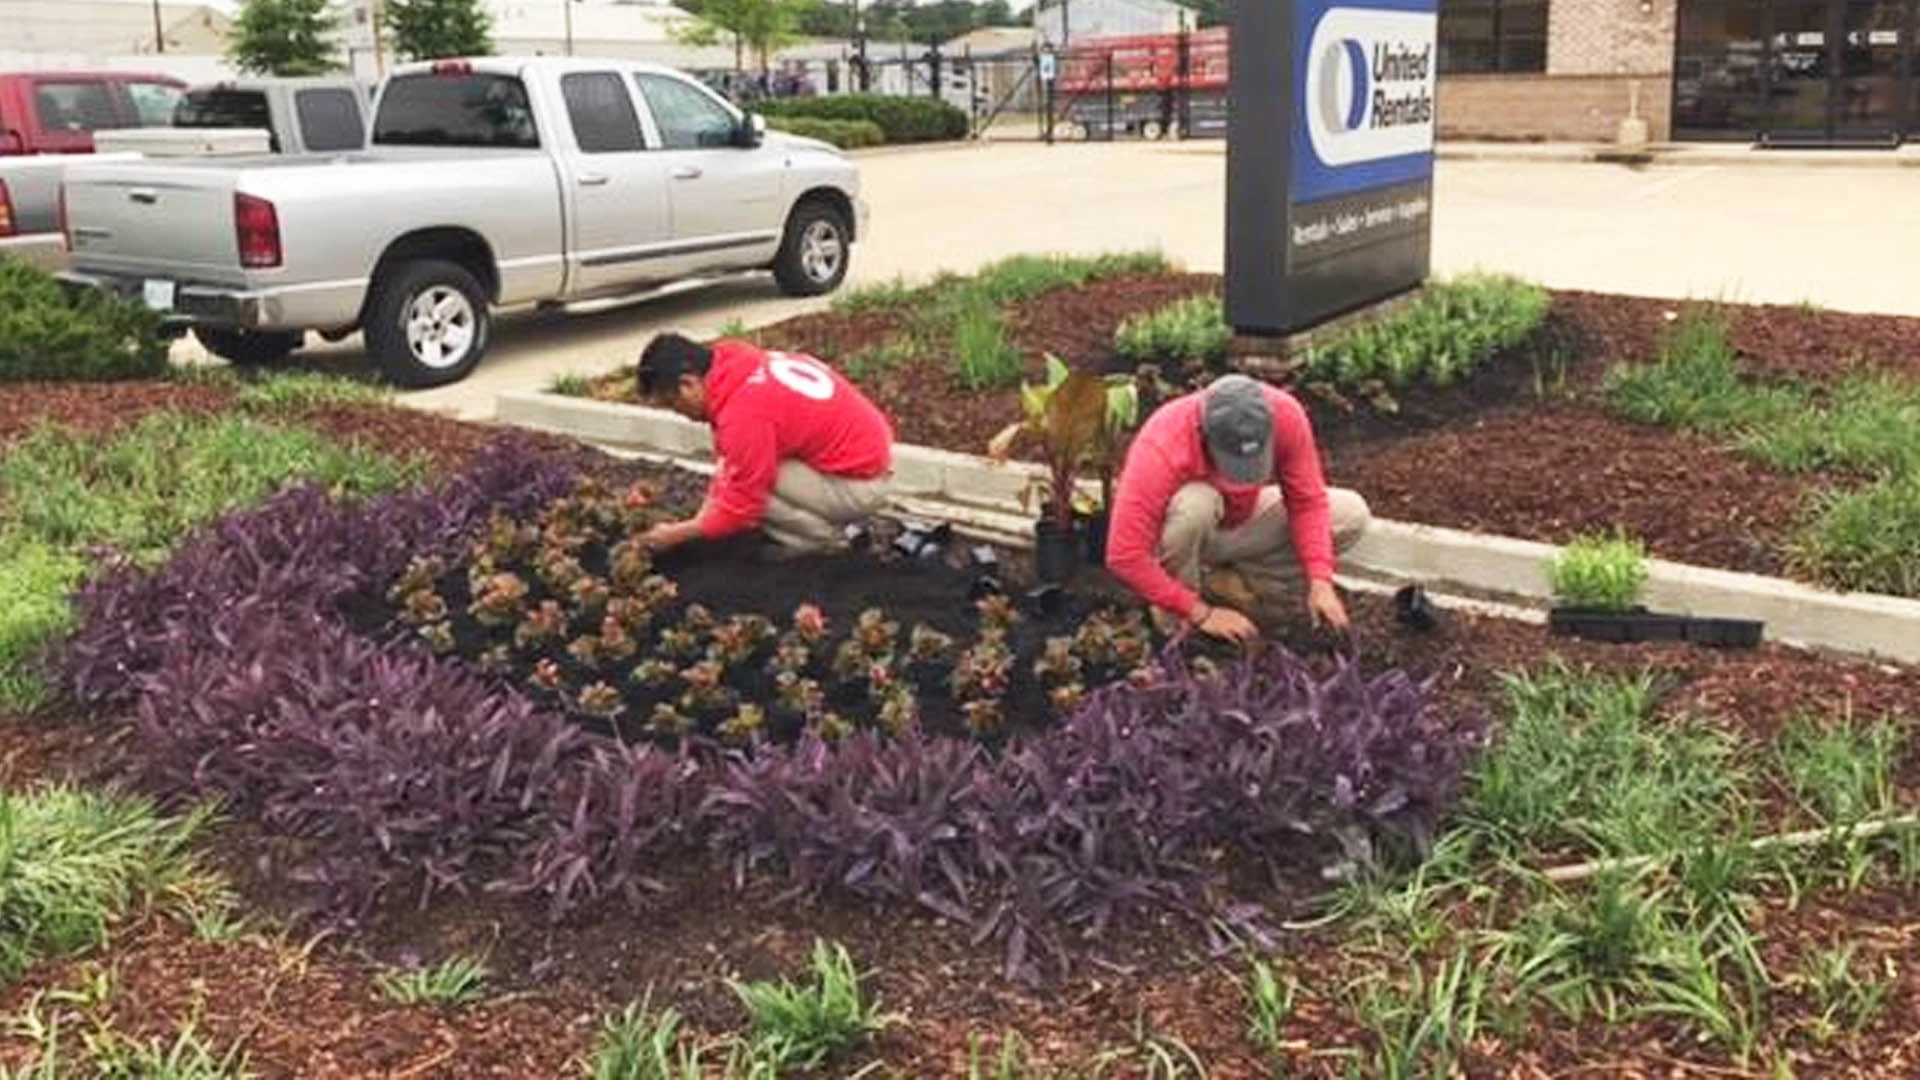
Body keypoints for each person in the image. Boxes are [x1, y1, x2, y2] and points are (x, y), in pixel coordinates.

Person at [1104, 373, 1372, 644]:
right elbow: (1124, 555)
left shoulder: (1286, 414)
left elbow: (1307, 502)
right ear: (1203, 432)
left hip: (1237, 523)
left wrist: (1320, 579)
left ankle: (1234, 588)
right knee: (1195, 505)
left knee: (1350, 514)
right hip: (1181, 537)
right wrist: (1202, 614)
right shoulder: (1162, 443)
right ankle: (1179, 624)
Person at [633, 333, 895, 556]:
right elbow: (729, 462)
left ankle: (822, 542)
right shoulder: (736, 367)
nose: (679, 413)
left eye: (672, 404)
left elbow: (742, 505)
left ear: (688, 384)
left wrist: (677, 534)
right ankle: (833, 525)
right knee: (742, 470)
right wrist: (702, 518)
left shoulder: (743, 415)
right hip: (865, 459)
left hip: (862, 483)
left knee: (757, 490)